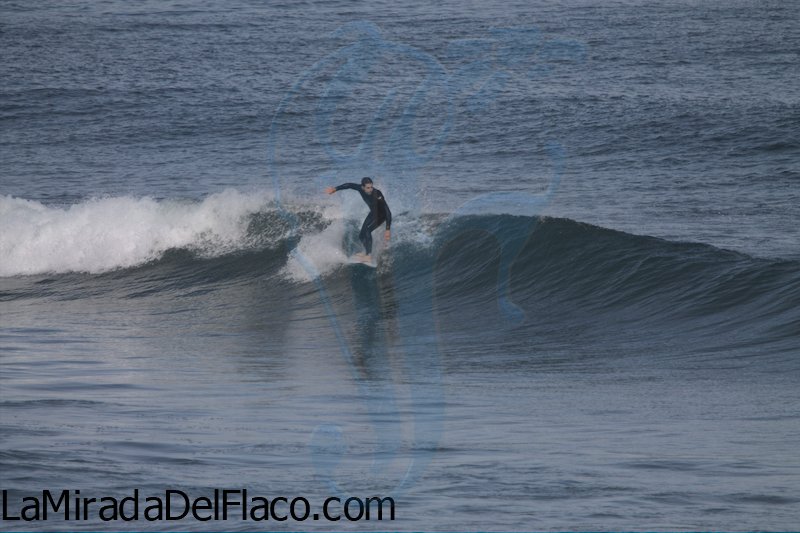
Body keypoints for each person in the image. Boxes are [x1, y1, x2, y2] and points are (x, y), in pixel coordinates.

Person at [325, 177, 391, 261]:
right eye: (368, 188)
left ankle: (369, 255)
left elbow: (387, 211)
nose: (370, 189)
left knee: (367, 231)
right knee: (361, 235)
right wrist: (335, 189)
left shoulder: (377, 193)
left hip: (382, 215)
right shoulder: (360, 188)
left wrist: (387, 229)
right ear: (363, 187)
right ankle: (366, 252)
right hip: (373, 213)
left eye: (371, 187)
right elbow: (349, 185)